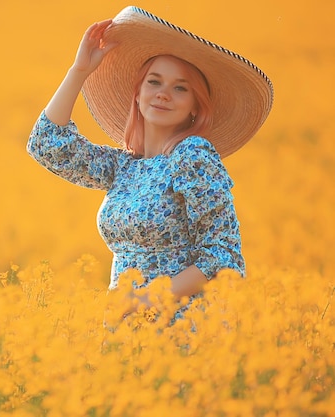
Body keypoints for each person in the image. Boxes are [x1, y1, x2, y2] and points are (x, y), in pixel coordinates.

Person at [27, 6, 273, 326]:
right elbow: (46, 144)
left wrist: (142, 300)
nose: (163, 95)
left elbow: (223, 259)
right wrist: (79, 71)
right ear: (138, 94)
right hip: (126, 328)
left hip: (183, 330)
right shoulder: (124, 167)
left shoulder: (194, 157)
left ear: (196, 106)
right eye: (154, 82)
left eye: (180, 87)